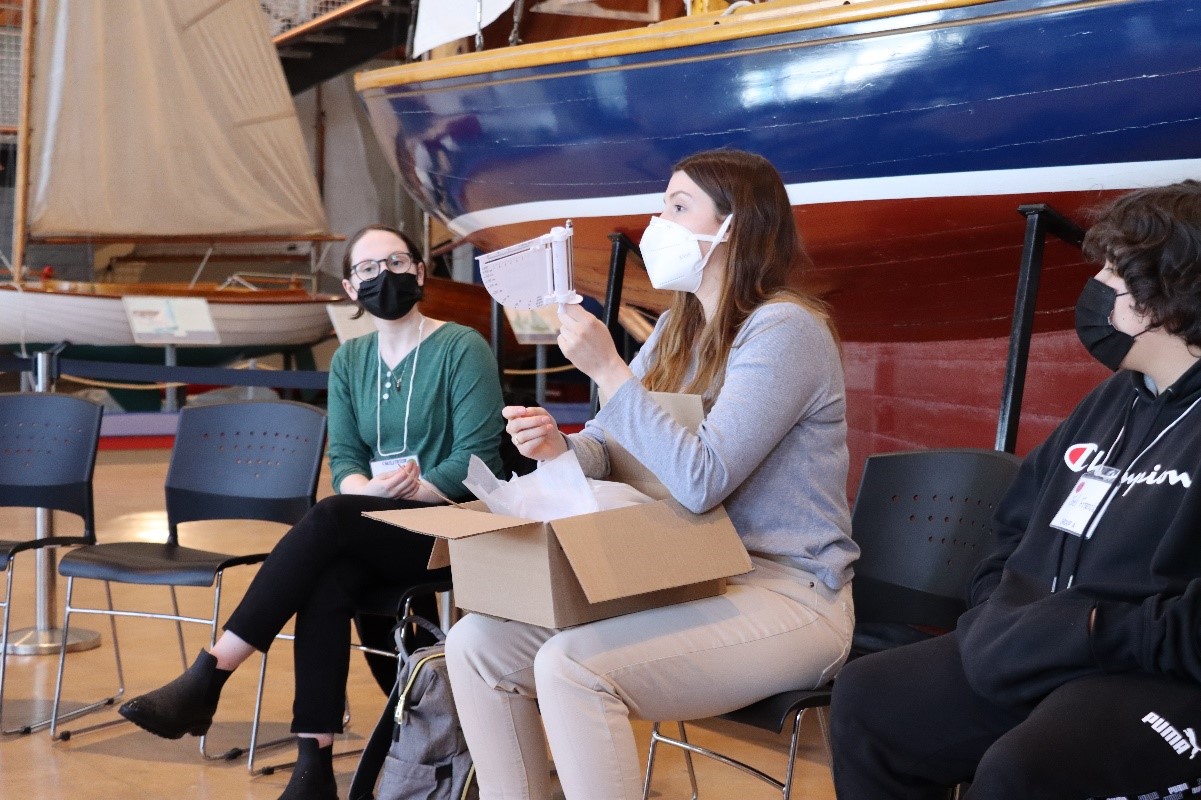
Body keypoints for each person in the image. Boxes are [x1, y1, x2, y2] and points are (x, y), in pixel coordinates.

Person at [443, 148, 859, 800]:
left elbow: (701, 479)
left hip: (788, 593)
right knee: (474, 644)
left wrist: (609, 371)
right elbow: (608, 448)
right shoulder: (674, 327)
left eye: (676, 206)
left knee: (571, 667)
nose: (654, 221)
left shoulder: (784, 329)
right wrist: (558, 447)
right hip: (681, 576)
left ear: (734, 225)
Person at [829, 180, 1201, 800]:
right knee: (871, 700)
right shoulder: (1112, 400)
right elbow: (1015, 523)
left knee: (1024, 771)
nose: (1095, 289)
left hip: (1149, 668)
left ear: (1167, 295)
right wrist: (999, 607)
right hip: (1039, 643)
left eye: (1114, 272)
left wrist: (1087, 629)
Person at [118, 225, 506, 800]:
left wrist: (398, 493)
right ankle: (313, 767)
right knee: (327, 577)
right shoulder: (350, 360)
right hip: (376, 518)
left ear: (421, 272)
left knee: (328, 519)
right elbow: (346, 458)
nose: (385, 276)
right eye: (369, 269)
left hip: (450, 521)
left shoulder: (461, 346)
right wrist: (369, 494)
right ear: (352, 288)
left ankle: (212, 672)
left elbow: (477, 458)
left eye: (397, 262)